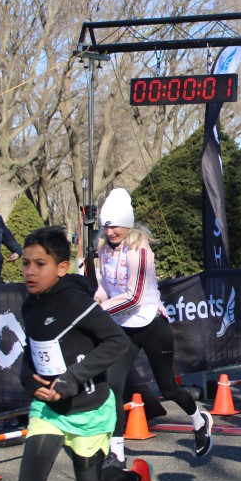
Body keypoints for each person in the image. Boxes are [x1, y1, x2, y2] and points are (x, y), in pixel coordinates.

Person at [14, 226, 156, 481]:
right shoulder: (30, 303)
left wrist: (70, 380)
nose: (30, 271)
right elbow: (30, 353)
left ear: (62, 267)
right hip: (48, 410)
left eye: (40, 264)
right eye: (26, 263)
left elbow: (116, 342)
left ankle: (136, 480)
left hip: (88, 409)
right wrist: (29, 381)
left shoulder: (75, 302)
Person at [94, 188, 212, 466]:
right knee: (113, 387)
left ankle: (199, 420)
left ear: (127, 222)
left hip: (151, 324)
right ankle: (117, 453)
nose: (110, 232)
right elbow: (106, 285)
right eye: (106, 226)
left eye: (115, 226)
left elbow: (134, 297)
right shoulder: (103, 247)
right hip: (123, 327)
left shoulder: (140, 250)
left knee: (168, 388)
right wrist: (97, 298)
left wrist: (98, 312)